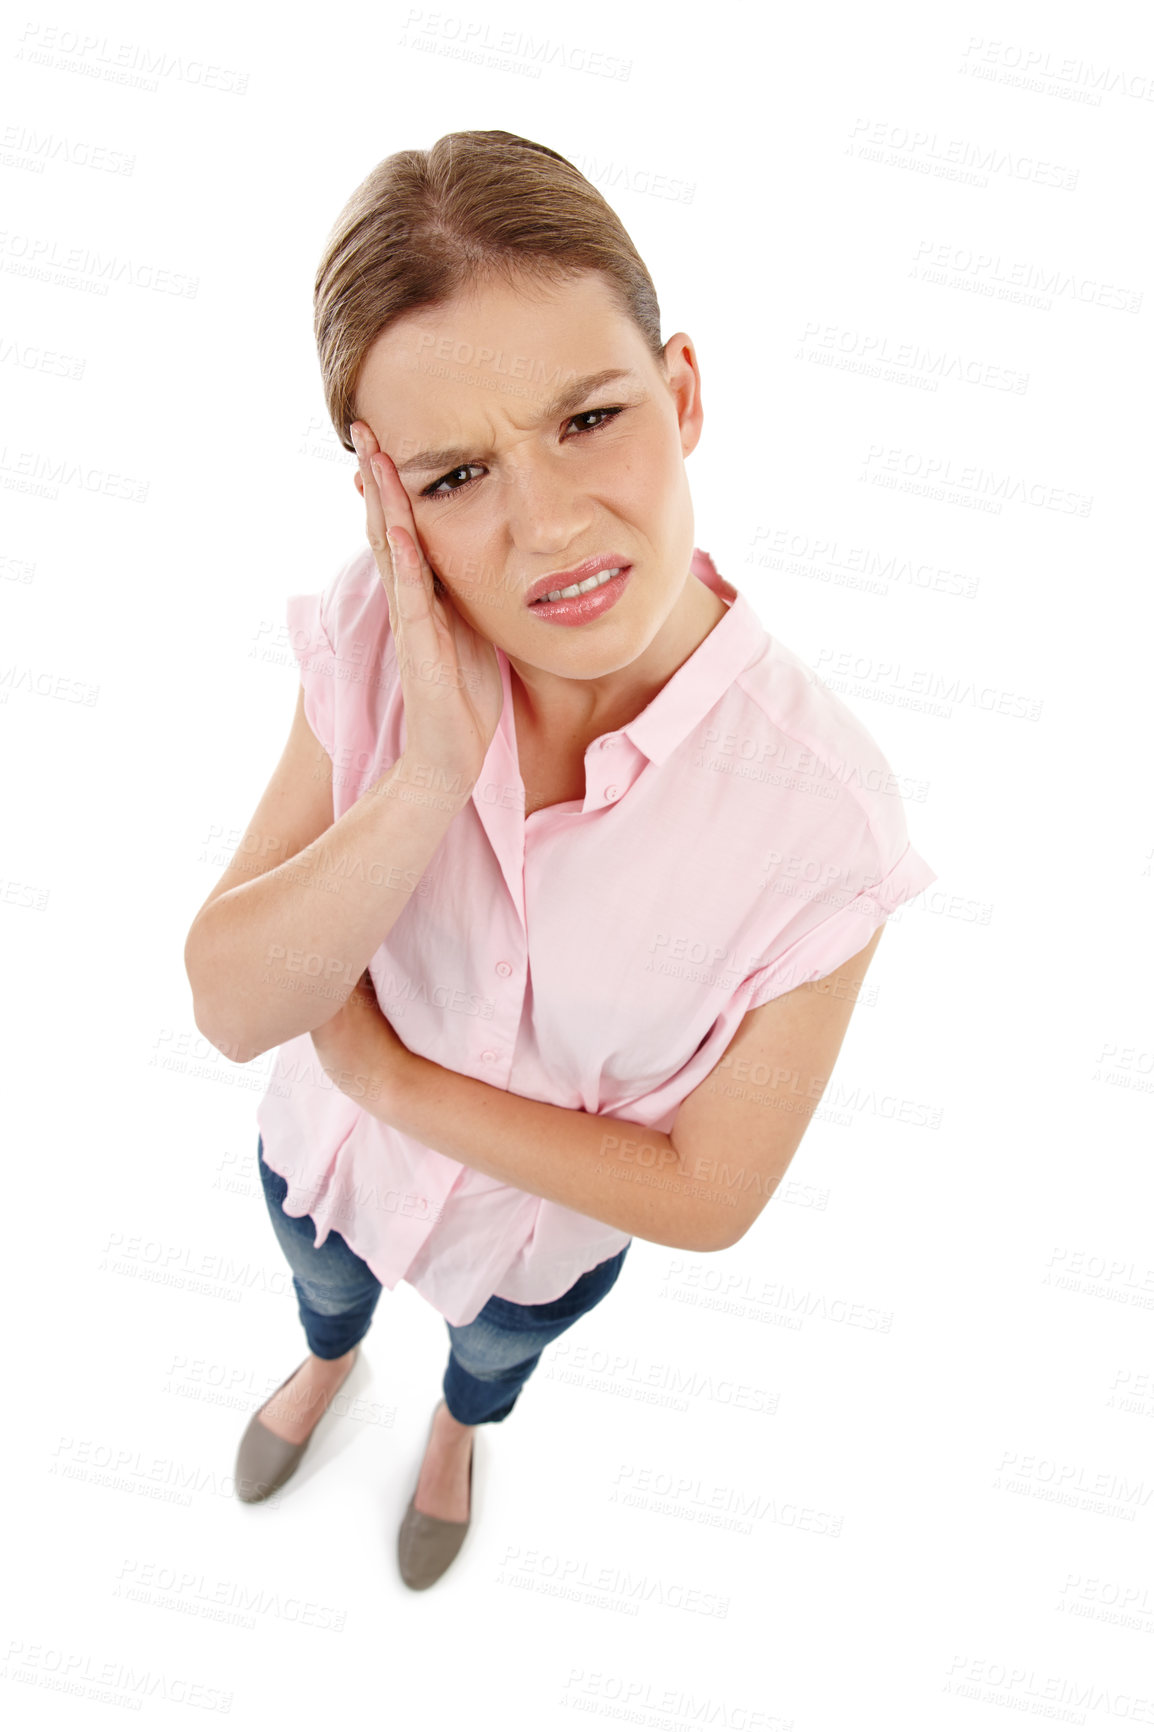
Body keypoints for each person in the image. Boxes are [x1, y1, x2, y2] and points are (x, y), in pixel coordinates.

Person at [183, 130, 938, 1591]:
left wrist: (392, 1078)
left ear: (683, 392)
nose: (546, 524)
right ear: (385, 502)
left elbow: (708, 1196)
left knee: (489, 1357)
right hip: (325, 1171)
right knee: (323, 1287)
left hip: (522, 1256)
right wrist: (421, 783)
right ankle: (324, 1365)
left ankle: (457, 1436)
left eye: (588, 419)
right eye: (457, 473)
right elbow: (228, 1004)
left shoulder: (829, 823)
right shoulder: (372, 642)